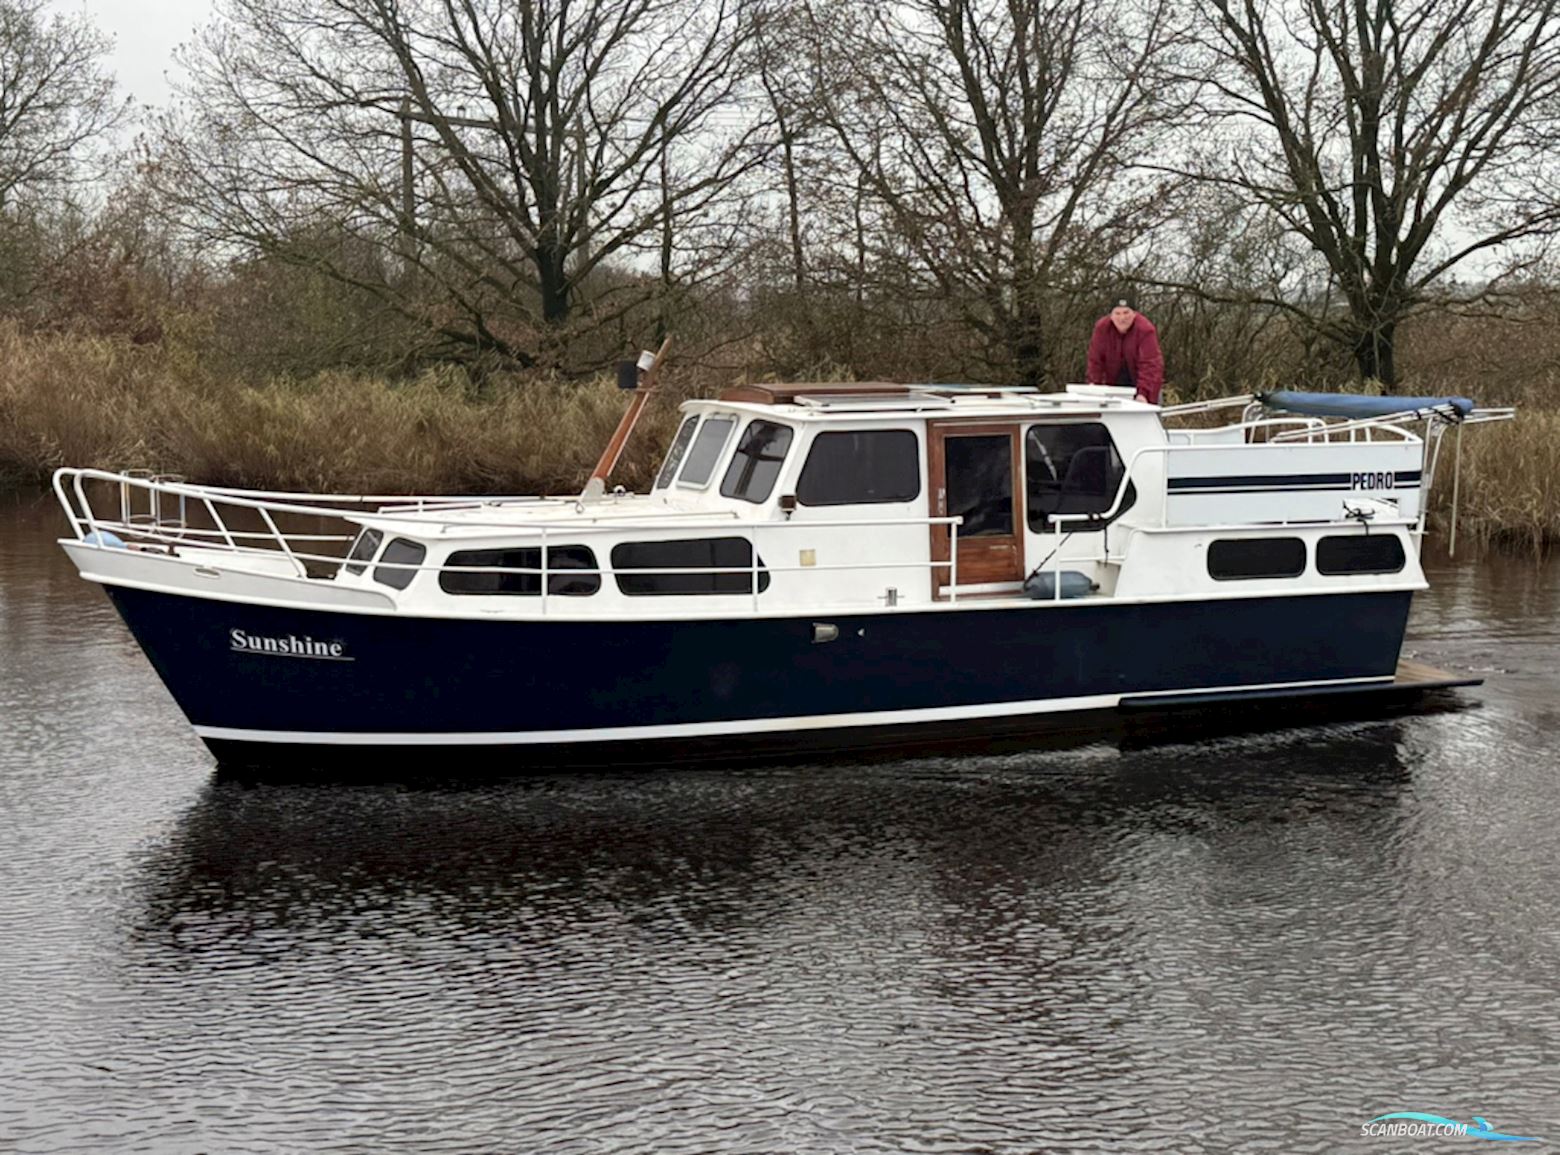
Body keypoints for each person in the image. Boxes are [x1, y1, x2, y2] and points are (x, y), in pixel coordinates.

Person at [1087, 296, 1164, 404]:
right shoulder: (1102, 329)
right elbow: (1095, 361)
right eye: (1117, 313)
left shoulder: (1146, 330)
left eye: (1126, 313)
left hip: (1142, 384)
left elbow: (1150, 365)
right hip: (1113, 386)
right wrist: (1094, 386)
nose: (1122, 318)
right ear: (1111, 315)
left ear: (1134, 313)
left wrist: (1143, 394)